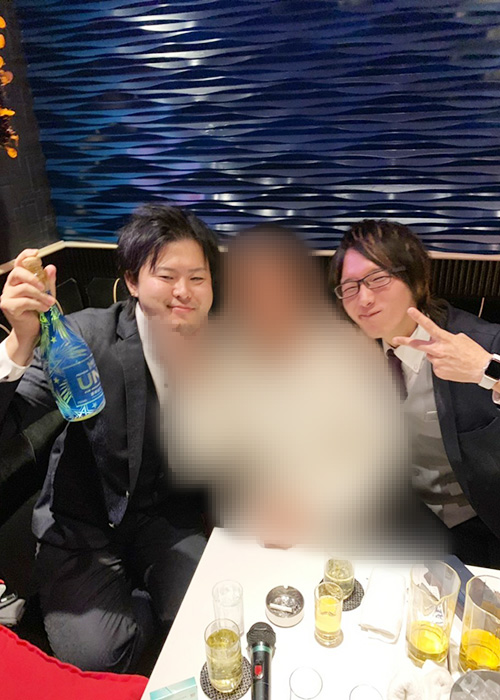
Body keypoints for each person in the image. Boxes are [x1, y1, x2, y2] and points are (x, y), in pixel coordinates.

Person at [0, 203, 219, 672]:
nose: (184, 291)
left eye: (198, 278)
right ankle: (139, 605)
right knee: (100, 657)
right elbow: (9, 419)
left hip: (165, 521)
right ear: (133, 282)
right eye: (167, 276)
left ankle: (158, 601)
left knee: (211, 621)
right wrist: (18, 342)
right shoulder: (84, 339)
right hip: (81, 528)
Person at [169, 224, 417, 556]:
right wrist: (191, 389)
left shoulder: (351, 349)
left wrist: (314, 506)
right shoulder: (222, 354)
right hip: (251, 528)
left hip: (343, 529)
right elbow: (195, 458)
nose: (265, 300)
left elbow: (380, 454)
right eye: (249, 288)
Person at [329, 219, 500, 567]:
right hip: (407, 521)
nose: (364, 298)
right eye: (350, 287)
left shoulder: (481, 342)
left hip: (485, 523)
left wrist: (487, 370)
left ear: (416, 279)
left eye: (378, 279)